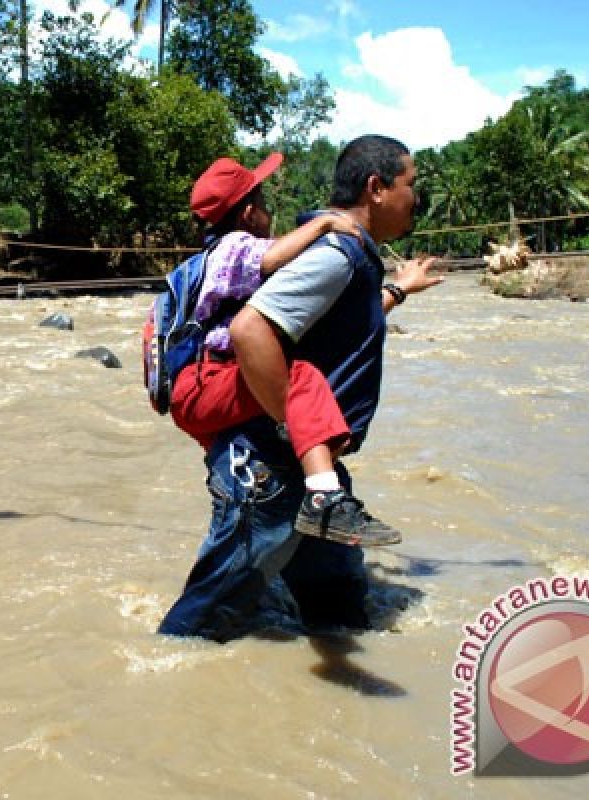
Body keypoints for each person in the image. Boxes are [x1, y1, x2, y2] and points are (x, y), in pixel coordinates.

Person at [158, 135, 443, 642]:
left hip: (304, 471)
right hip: (271, 470)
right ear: (377, 188)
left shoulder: (345, 253)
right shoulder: (334, 252)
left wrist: (398, 290)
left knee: (339, 619)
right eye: (411, 184)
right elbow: (251, 329)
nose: (415, 197)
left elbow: (336, 327)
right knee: (197, 632)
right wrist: (293, 426)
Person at [168, 154, 399, 547]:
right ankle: (324, 497)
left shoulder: (216, 254)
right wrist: (324, 222)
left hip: (201, 387)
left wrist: (398, 290)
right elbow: (272, 260)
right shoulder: (234, 246)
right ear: (248, 213)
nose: (270, 213)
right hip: (207, 379)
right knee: (301, 379)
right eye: (265, 204)